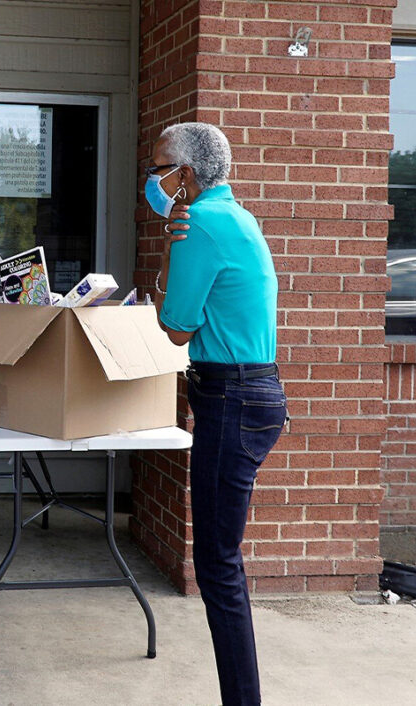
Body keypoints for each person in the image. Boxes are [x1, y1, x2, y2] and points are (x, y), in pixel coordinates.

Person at [147, 122, 287, 706]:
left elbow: (176, 326)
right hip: (249, 396)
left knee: (217, 567)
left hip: (230, 399)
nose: (152, 181)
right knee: (219, 561)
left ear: (186, 176)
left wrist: (168, 259)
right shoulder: (238, 217)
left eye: (160, 169)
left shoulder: (199, 224)